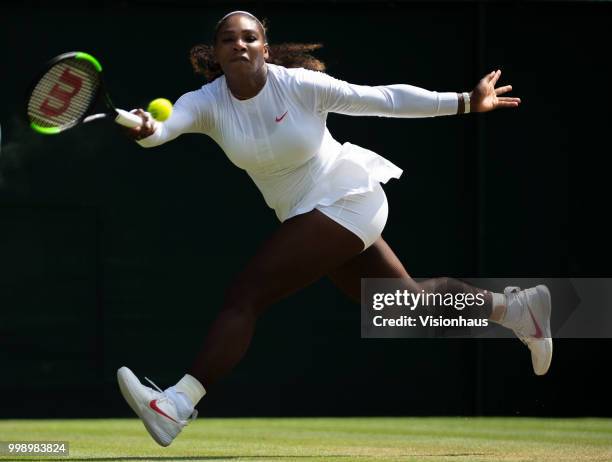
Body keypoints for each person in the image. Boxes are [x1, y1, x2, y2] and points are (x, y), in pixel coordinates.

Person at [116, 10, 551, 447]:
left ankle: (176, 403)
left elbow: (385, 100)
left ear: (265, 49)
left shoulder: (299, 86)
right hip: (308, 213)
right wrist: (148, 128)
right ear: (217, 52)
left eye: (249, 38)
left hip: (348, 198)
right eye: (228, 40)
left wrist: (464, 101)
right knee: (405, 307)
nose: (239, 45)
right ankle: (516, 310)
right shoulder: (206, 102)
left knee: (247, 294)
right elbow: (163, 130)